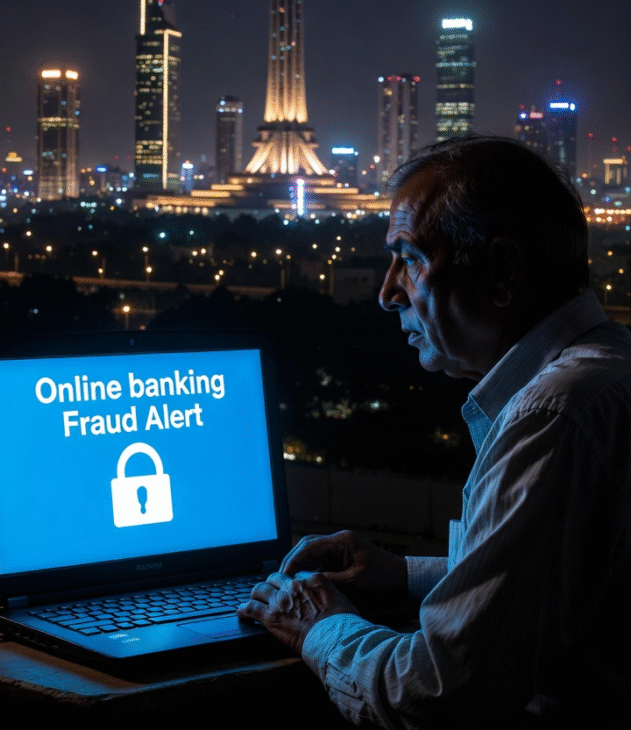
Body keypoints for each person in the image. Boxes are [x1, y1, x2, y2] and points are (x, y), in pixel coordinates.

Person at [238, 136, 631, 727]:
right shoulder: (608, 372)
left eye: (412, 258)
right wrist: (404, 574)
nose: (388, 290)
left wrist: (319, 625)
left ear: (502, 272)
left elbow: (436, 694)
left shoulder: (552, 417)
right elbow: (562, 580)